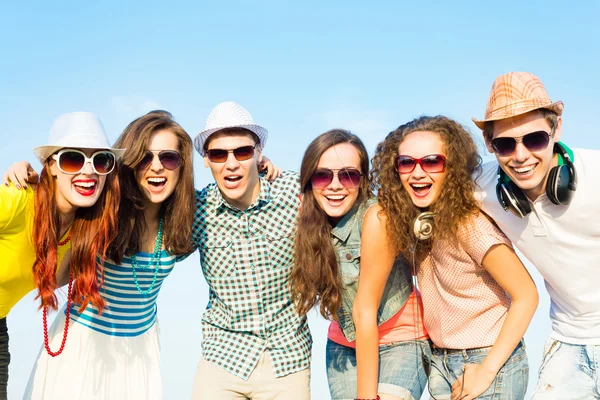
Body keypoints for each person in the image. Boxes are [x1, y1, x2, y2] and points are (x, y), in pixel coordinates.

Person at [20, 110, 194, 399]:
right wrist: (26, 172)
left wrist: (259, 165)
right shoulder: (104, 208)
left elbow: (230, 192)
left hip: (141, 349)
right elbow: (65, 191)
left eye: (169, 158)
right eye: (144, 158)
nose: (157, 167)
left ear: (181, 166)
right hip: (86, 343)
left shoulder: (188, 216)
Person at [371, 115, 539, 400]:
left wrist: (486, 370)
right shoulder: (419, 223)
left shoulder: (469, 225)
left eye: (432, 162)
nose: (418, 172)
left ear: (453, 168)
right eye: (406, 162)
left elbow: (527, 295)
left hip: (487, 361)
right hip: (440, 362)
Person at [472, 72, 600, 399]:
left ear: (556, 129)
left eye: (535, 139)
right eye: (504, 143)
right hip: (568, 341)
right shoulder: (482, 187)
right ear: (489, 144)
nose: (521, 155)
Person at [290, 129, 430, 400]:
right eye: (322, 175)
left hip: (400, 340)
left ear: (363, 180)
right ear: (309, 181)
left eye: (348, 175)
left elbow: (365, 311)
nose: (334, 185)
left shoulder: (378, 217)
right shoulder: (309, 219)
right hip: (344, 346)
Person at [190, 101, 311, 399]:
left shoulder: (294, 193)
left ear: (258, 152)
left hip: (288, 358)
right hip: (223, 357)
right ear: (207, 160)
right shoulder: (196, 211)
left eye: (242, 152)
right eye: (219, 154)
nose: (231, 163)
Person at [0, 111, 121, 400]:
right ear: (51, 166)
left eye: (100, 160)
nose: (88, 171)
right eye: (73, 159)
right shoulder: (18, 201)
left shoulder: (83, 236)